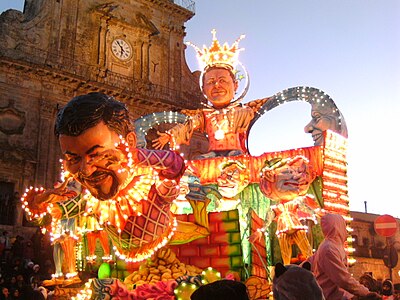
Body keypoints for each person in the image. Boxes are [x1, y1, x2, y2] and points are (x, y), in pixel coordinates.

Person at [24, 92, 208, 267]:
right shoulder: (90, 199)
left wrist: (134, 155)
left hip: (171, 250)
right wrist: (37, 203)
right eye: (74, 159)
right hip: (129, 268)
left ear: (129, 141)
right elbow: (49, 216)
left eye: (97, 155)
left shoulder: (147, 182)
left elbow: (175, 164)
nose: (86, 170)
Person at [152, 30, 265, 159]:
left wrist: (288, 95)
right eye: (211, 82)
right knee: (196, 165)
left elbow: (266, 104)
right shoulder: (204, 116)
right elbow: (188, 125)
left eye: (222, 80)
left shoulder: (242, 111)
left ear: (236, 85)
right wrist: (170, 135)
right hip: (212, 154)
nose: (217, 85)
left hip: (236, 153)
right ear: (203, 89)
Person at [250, 155, 318, 265]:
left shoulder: (295, 203)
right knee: (285, 255)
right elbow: (268, 220)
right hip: (282, 230)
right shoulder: (276, 208)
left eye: (295, 173)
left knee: (307, 251)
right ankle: (287, 270)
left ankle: (314, 267)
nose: (295, 177)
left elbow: (306, 208)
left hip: (296, 227)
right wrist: (260, 231)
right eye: (289, 173)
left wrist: (316, 212)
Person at [308, 214, 380, 299]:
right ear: (338, 226)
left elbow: (308, 263)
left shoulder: (330, 246)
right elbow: (343, 279)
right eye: (343, 225)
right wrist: (365, 292)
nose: (345, 229)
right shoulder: (329, 249)